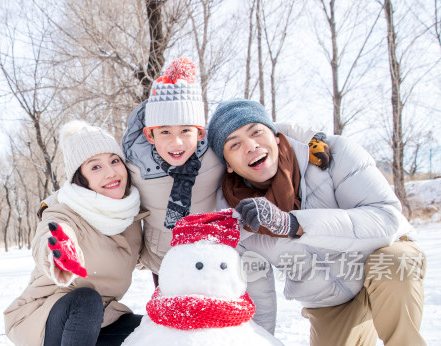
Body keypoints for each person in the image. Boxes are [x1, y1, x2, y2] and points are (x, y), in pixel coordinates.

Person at [207, 98, 441, 346]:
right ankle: (361, 333)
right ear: (229, 165)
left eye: (256, 132)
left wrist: (294, 223)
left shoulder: (331, 156)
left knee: (398, 263)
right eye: (234, 145)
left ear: (275, 136)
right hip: (331, 301)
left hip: (380, 265)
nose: (250, 146)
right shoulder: (238, 217)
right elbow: (258, 293)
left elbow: (386, 218)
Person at [4, 120, 146, 346]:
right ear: (80, 179)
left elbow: (154, 258)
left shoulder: (130, 215)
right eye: (95, 166)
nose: (110, 172)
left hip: (97, 318)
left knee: (147, 329)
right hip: (42, 320)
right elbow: (52, 232)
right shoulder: (66, 208)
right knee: (85, 299)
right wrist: (59, 250)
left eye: (114, 161)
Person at [121, 57, 330, 281]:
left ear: (200, 133)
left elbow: (259, 127)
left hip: (213, 256)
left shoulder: (211, 152)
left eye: (185, 131)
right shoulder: (134, 164)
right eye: (165, 132)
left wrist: (309, 137)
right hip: (164, 261)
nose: (177, 143)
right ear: (149, 135)